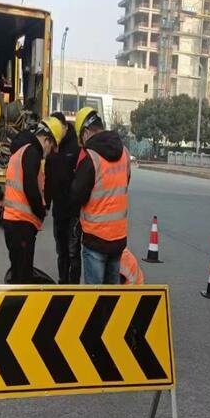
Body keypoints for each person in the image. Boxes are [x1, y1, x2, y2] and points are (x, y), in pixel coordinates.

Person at [70, 106, 130, 285]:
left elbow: (77, 196)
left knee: (93, 298)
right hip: (118, 239)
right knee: (111, 297)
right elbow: (124, 184)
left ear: (86, 132)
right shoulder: (124, 153)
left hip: (95, 239)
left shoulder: (90, 158)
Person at [2, 117, 64, 283]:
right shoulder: (32, 153)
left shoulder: (22, 150)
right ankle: (18, 306)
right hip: (21, 224)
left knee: (19, 272)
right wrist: (40, 212)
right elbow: (30, 187)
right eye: (51, 146)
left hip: (13, 222)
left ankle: (17, 303)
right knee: (22, 277)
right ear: (46, 139)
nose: (50, 151)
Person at [44, 111, 81, 284]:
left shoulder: (77, 147)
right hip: (58, 210)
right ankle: (62, 282)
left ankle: (73, 286)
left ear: (65, 127)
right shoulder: (53, 147)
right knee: (61, 251)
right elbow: (49, 178)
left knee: (73, 252)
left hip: (73, 211)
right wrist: (46, 203)